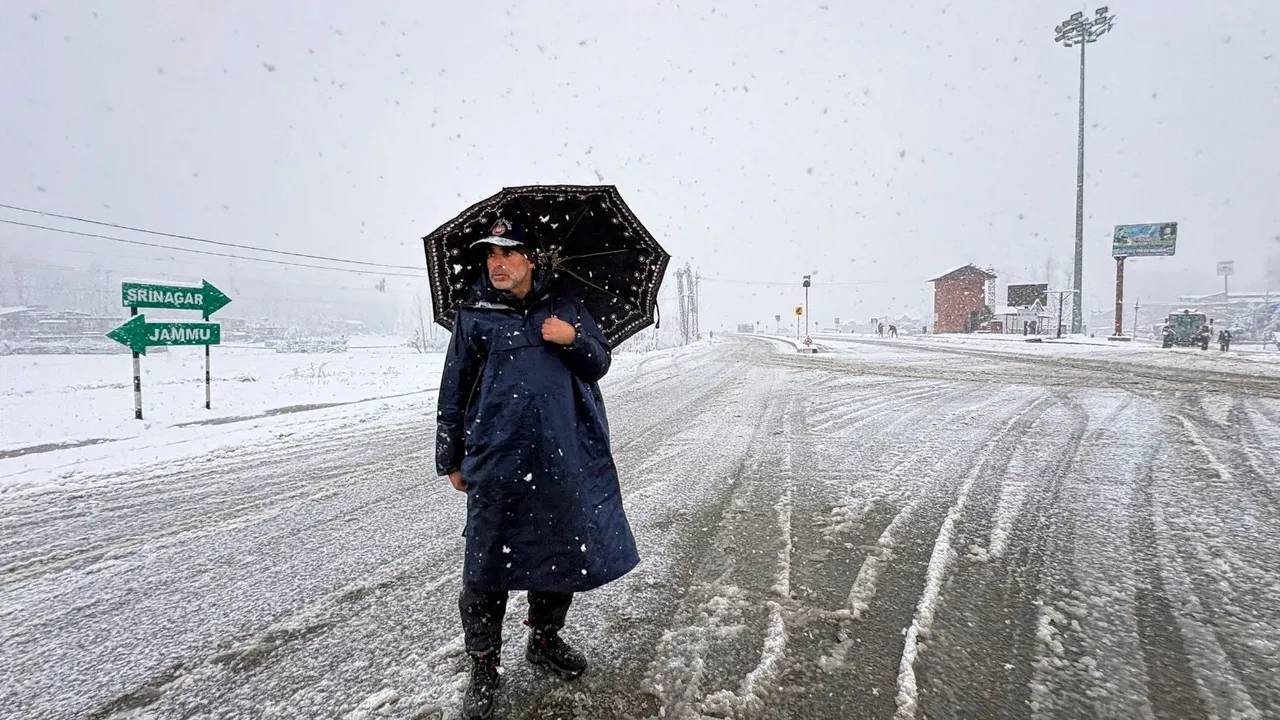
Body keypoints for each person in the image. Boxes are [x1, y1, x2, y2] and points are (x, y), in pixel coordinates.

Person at [436, 217, 640, 719]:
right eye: (490, 255)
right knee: (487, 565)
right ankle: (484, 664)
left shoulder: (567, 305)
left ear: (531, 258)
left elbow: (598, 364)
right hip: (497, 457)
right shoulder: (475, 314)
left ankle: (544, 639)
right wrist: (451, 456)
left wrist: (571, 337)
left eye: (507, 253)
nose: (496, 263)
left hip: (561, 453)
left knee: (559, 551)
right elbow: (454, 386)